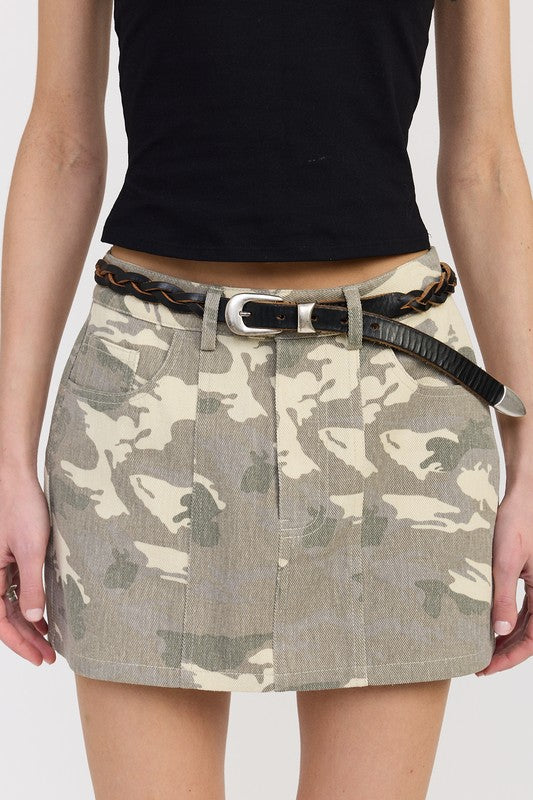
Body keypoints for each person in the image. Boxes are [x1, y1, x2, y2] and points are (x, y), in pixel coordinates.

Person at [1, 0, 532, 798]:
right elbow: (62, 145)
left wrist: (531, 462)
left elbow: (484, 164)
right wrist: (8, 458)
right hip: (146, 400)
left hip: (391, 396)